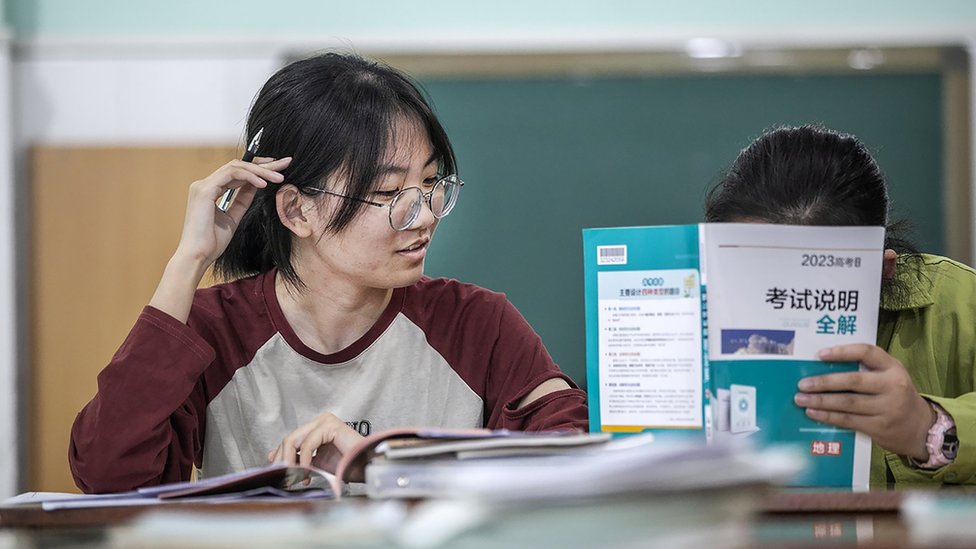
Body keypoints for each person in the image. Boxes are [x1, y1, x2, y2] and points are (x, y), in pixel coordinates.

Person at [69, 52, 587, 494]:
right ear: (297, 211)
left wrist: (384, 463)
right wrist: (188, 262)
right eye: (388, 194)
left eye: (431, 183)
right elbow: (107, 477)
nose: (425, 214)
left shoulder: (477, 323)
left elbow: (573, 452)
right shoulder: (212, 331)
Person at [705, 124, 976, 486]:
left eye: (807, 283)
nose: (779, 301)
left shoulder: (961, 302)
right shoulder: (694, 308)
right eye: (753, 270)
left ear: (883, 269)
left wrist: (930, 426)